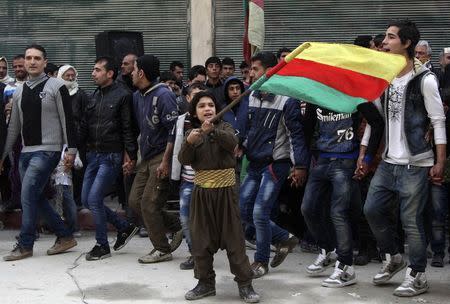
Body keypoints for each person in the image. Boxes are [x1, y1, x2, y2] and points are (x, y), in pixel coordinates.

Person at [361, 19, 446, 297]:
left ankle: (418, 274)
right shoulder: (385, 78)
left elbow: (438, 121)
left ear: (406, 44)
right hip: (388, 162)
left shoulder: (426, 79)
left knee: (411, 222)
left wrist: (440, 161)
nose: (384, 43)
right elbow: (375, 119)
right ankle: (394, 257)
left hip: (416, 163)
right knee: (371, 210)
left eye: (390, 38)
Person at [179, 91, 260, 303]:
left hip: (226, 193)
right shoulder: (193, 134)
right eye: (202, 106)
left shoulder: (224, 127)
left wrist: (212, 130)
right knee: (201, 241)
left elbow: (232, 142)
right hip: (201, 194)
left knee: (234, 240)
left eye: (211, 105)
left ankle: (245, 284)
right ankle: (205, 283)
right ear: (195, 113)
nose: (207, 109)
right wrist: (189, 142)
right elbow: (183, 158)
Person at [1, 44, 78, 261]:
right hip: (25, 152)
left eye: (37, 58)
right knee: (35, 195)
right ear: (24, 62)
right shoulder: (19, 91)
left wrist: (71, 150)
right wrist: (3, 155)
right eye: (29, 58)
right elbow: (14, 128)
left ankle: (25, 244)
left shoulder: (57, 86)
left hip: (48, 151)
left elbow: (67, 121)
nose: (32, 62)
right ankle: (64, 236)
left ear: (45, 62)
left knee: (26, 194)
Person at [239, 51, 309, 278]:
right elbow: (246, 129)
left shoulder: (286, 100)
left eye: (255, 69)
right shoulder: (250, 95)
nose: (251, 73)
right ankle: (283, 238)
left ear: (270, 72)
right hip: (254, 163)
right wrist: (239, 144)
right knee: (242, 208)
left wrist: (300, 166)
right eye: (250, 69)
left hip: (274, 165)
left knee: (260, 212)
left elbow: (296, 135)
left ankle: (260, 261)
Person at [78, 56, 139, 261]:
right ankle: (124, 226)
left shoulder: (123, 95)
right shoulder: (93, 96)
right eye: (93, 70)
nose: (93, 73)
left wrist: (130, 155)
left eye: (97, 70)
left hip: (111, 155)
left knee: (94, 199)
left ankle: (102, 245)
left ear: (109, 73)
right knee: (86, 198)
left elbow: (128, 128)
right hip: (92, 155)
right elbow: (85, 127)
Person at [128, 54, 182, 264]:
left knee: (150, 205)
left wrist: (166, 161)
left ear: (141, 73)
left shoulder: (164, 95)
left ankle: (162, 249)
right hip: (146, 157)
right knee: (135, 202)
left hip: (162, 156)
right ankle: (176, 223)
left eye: (133, 70)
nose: (131, 74)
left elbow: (174, 131)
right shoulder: (137, 96)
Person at [170, 82, 207, 270]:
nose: (200, 101)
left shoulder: (215, 121)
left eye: (203, 96)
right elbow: (176, 147)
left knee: (208, 221)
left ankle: (205, 253)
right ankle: (195, 254)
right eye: (195, 96)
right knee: (185, 218)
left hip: (208, 182)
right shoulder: (181, 120)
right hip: (187, 180)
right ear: (187, 98)